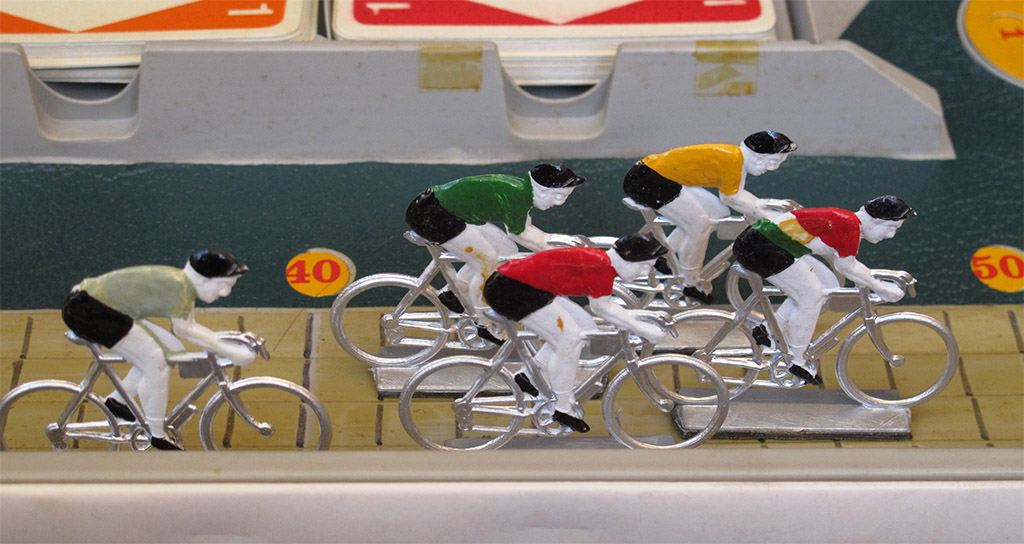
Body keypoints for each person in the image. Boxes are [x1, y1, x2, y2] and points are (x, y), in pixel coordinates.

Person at [61, 250, 257, 450]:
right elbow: (186, 330)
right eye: (223, 285)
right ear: (203, 280)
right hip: (88, 310)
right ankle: (156, 434)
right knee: (156, 360)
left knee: (173, 348)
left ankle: (116, 401)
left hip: (98, 305)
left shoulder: (183, 286)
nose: (225, 293)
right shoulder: (179, 289)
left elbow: (190, 328)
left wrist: (226, 344)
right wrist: (231, 351)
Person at [483, 234, 670, 433]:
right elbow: (603, 309)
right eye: (645, 266)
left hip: (524, 286)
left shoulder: (602, 263)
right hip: (512, 290)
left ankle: (526, 376)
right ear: (628, 259)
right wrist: (644, 329)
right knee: (569, 341)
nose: (645, 273)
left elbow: (608, 309)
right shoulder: (600, 267)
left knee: (585, 326)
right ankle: (562, 408)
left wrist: (640, 319)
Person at [732, 196, 916, 385]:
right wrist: (881, 288)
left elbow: (849, 266)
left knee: (829, 284)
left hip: (770, 243)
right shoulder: (850, 226)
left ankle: (766, 330)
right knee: (810, 297)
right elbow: (847, 267)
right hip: (762, 247)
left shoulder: (849, 222)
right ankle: (797, 361)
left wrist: (875, 281)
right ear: (877, 221)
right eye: (891, 228)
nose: (891, 235)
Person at [623, 131, 798, 304]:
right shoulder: (733, 161)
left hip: (657, 175)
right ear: (758, 157)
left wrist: (762, 207)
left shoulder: (736, 158)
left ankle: (662, 254)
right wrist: (767, 214)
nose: (773, 168)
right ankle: (690, 284)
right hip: (648, 180)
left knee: (718, 213)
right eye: (773, 162)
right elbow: (732, 198)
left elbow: (737, 197)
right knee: (699, 225)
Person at [406, 163, 586, 325]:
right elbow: (519, 234)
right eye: (559, 195)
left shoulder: (522, 193)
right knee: (489, 260)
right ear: (542, 190)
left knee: (507, 250)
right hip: (432, 214)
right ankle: (483, 322)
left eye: (565, 197)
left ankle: (453, 294)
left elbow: (527, 230)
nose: (560, 202)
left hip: (446, 211)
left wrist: (551, 245)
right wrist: (554, 252)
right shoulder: (517, 196)